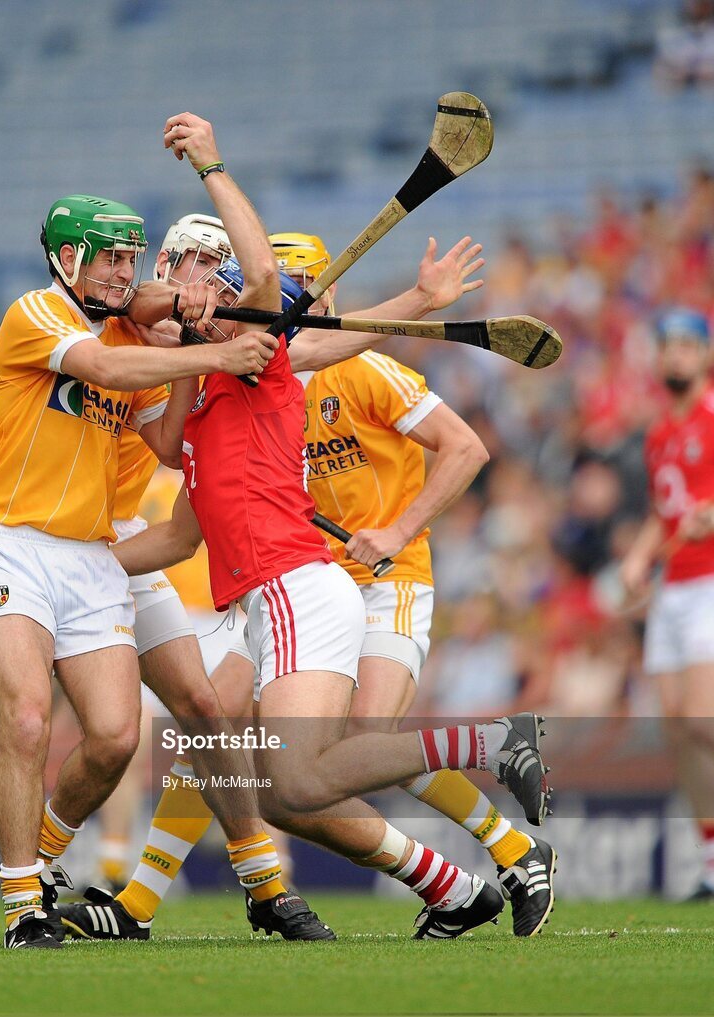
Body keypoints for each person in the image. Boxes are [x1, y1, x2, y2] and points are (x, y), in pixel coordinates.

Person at [64, 112, 550, 942]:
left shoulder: (260, 358)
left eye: (216, 287)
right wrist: (76, 567)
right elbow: (175, 501)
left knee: (299, 767)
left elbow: (259, 274)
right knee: (288, 786)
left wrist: (212, 165)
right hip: (283, 596)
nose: (201, 293)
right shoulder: (210, 384)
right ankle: (455, 887)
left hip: (296, 589)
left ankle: (494, 742)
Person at [0, 187, 278, 951]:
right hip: (14, 546)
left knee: (116, 736)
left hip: (91, 560)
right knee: (4, 722)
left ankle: (37, 861)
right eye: (110, 259)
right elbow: (100, 368)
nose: (123, 274)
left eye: (129, 258)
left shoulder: (133, 334)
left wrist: (189, 342)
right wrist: (211, 344)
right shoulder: (37, 315)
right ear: (68, 259)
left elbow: (162, 440)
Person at [620, 307, 714, 901]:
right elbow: (664, 511)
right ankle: (709, 858)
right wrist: (637, 557)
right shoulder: (659, 433)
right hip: (673, 587)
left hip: (709, 581)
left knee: (704, 720)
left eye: (685, 345)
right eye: (666, 345)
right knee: (680, 727)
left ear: (705, 355)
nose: (674, 355)